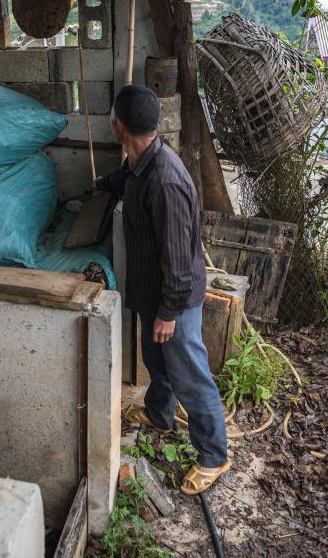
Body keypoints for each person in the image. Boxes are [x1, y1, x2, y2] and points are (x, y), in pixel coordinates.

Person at [94, 84, 230, 495]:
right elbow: (125, 179)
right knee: (155, 359)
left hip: (175, 298)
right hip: (153, 292)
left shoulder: (166, 181)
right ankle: (159, 414)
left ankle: (214, 456)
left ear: (119, 126)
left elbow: (178, 260)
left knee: (190, 376)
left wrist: (169, 313)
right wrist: (102, 184)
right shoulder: (141, 160)